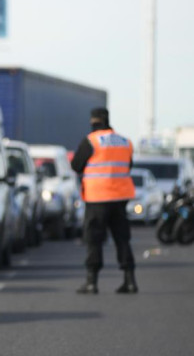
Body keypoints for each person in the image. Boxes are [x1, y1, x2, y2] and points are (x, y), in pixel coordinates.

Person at [71, 108, 138, 294]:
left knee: (94, 239)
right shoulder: (126, 142)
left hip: (97, 198)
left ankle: (92, 282)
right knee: (122, 238)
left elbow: (76, 165)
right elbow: (128, 165)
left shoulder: (91, 140)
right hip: (120, 198)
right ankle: (130, 281)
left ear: (93, 121)